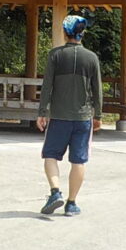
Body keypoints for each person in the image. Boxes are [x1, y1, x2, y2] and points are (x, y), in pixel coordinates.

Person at [36, 14, 102, 216]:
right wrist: (98, 115)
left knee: (50, 155)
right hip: (83, 119)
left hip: (59, 117)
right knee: (79, 161)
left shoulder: (55, 55)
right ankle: (71, 203)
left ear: (65, 32)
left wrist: (42, 112)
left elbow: (47, 86)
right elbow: (97, 89)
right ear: (82, 33)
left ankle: (55, 192)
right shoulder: (91, 58)